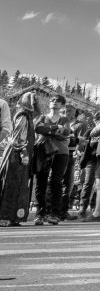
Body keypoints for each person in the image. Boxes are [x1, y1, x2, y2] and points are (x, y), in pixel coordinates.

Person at [33, 94, 72, 225]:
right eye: (53, 100)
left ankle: (55, 214)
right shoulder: (42, 117)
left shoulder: (64, 118)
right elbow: (38, 128)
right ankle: (40, 214)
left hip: (61, 153)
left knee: (56, 182)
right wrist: (55, 128)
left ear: (62, 105)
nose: (55, 102)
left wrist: (47, 130)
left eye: (58, 101)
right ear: (49, 103)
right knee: (41, 181)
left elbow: (66, 132)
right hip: (44, 151)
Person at [0, 93, 38, 226]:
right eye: (32, 101)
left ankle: (15, 216)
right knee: (11, 184)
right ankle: (5, 216)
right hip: (16, 155)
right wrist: (23, 151)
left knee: (20, 185)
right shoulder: (22, 116)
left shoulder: (27, 117)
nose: (34, 104)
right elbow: (17, 137)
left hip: (21, 155)